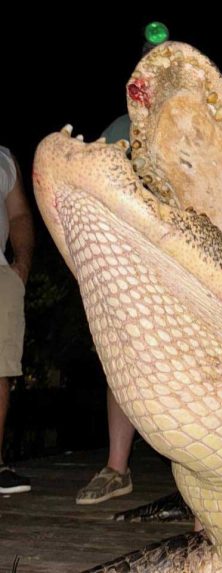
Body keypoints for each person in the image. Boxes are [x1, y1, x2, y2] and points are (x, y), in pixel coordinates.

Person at [75, 115, 136, 505]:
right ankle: (117, 468)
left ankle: (200, 484)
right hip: (129, 257)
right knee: (122, 361)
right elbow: (93, 184)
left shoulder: (194, 119)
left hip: (189, 255)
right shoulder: (121, 128)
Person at [0, 146, 34, 494]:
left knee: (0, 369)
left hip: (0, 274)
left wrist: (21, 263)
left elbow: (20, 214)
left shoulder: (6, 157)